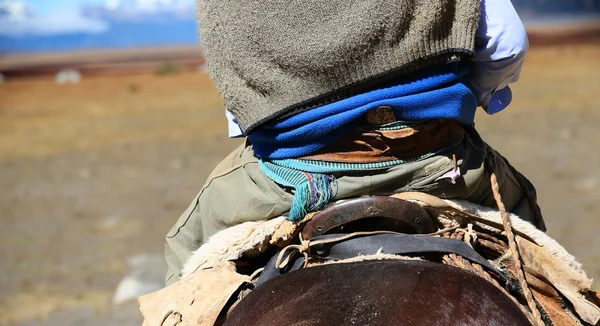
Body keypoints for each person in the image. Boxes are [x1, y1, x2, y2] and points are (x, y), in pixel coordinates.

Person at [164, 0, 546, 286]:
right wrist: (460, 101)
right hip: (434, 156)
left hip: (294, 176)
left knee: (185, 265)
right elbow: (506, 44)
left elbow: (239, 93)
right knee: (538, 263)